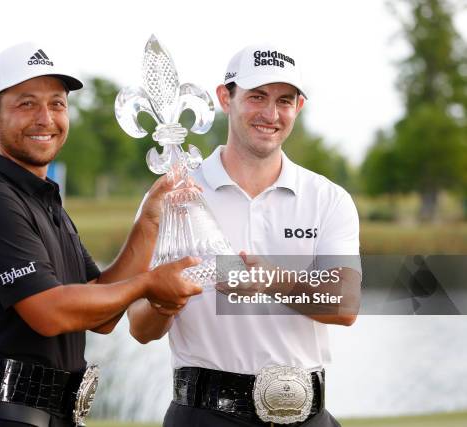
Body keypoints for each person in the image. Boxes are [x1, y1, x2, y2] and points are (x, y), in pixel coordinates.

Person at [0, 42, 202, 427]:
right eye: (26, 103)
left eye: (57, 103)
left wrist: (148, 222)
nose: (45, 118)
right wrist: (148, 284)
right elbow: (50, 312)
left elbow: (101, 311)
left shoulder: (43, 200)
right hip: (1, 416)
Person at [128, 43, 362, 426]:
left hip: (304, 414)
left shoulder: (328, 199)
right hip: (203, 415)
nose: (271, 114)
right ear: (225, 98)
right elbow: (139, 328)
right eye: (257, 97)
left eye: (284, 101)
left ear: (298, 108)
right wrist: (164, 300)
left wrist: (270, 280)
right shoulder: (173, 195)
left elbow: (345, 303)